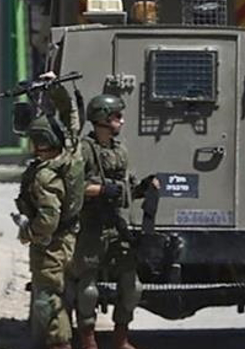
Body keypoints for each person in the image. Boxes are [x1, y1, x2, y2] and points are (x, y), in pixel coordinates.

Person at [69, 94, 157, 349]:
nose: (122, 120)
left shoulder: (119, 149)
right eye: (117, 116)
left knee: (132, 286)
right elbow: (73, 187)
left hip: (117, 226)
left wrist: (142, 188)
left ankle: (121, 338)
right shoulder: (84, 150)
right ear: (102, 119)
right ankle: (88, 340)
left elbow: (125, 188)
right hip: (92, 226)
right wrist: (101, 191)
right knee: (88, 289)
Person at [13, 79, 84, 349]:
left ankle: (59, 344)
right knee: (61, 294)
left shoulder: (44, 176)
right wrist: (54, 88)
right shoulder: (71, 156)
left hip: (51, 244)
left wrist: (28, 233)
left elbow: (48, 218)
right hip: (71, 239)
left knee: (49, 298)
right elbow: (70, 119)